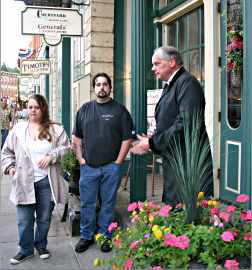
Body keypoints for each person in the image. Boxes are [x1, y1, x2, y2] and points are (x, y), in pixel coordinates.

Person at [131, 46, 213, 206]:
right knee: (176, 214)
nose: (153, 68)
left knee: (187, 218)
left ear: (172, 62)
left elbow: (186, 123)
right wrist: (152, 138)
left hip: (188, 165)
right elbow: (169, 120)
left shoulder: (187, 83)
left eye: (157, 63)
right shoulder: (172, 84)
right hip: (177, 164)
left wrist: (152, 143)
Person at [1, 94, 70, 265]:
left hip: (47, 182)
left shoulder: (55, 129)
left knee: (44, 219)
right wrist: (10, 168)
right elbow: (6, 152)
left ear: (43, 109)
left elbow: (67, 148)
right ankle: (25, 250)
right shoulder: (17, 130)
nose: (33, 110)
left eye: (37, 107)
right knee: (24, 220)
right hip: (24, 181)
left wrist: (52, 156)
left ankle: (41, 245)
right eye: (30, 107)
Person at [72, 72, 135, 253]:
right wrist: (81, 160)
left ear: (110, 87)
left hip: (110, 167)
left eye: (105, 84)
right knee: (87, 204)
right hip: (88, 167)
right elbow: (76, 139)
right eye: (98, 84)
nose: (101, 87)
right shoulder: (84, 110)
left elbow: (127, 139)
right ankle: (86, 236)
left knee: (108, 203)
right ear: (94, 88)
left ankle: (105, 236)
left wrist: (117, 163)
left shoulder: (119, 110)